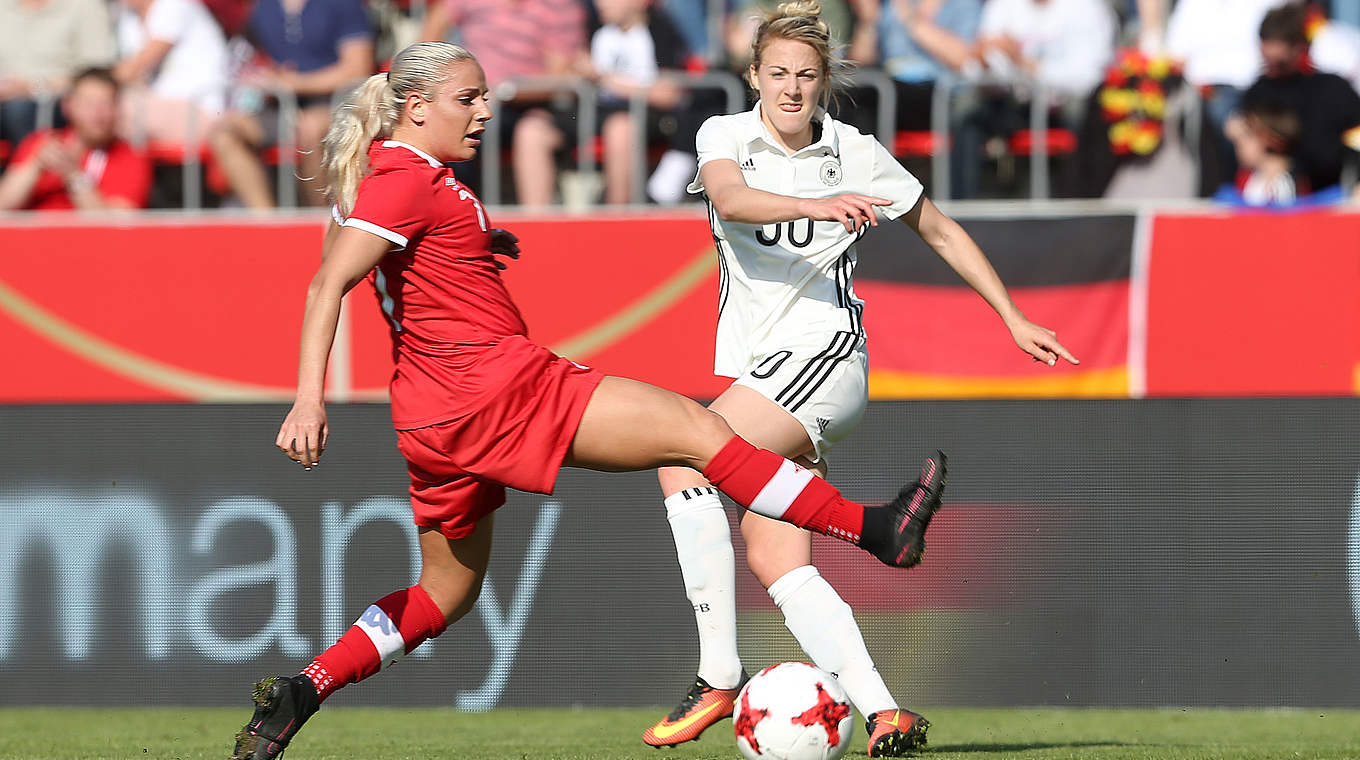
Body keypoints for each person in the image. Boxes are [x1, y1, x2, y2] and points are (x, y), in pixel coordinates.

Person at [230, 40, 947, 760]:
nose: (485, 111)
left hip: (433, 422)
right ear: (414, 108)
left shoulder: (405, 181)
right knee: (697, 433)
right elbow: (328, 284)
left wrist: (480, 244)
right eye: (468, 99)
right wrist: (307, 400)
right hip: (498, 390)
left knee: (446, 593)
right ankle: (875, 530)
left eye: (484, 96)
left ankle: (306, 686)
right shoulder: (405, 181)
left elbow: (401, 260)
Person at [639, 2, 1077, 757]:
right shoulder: (725, 136)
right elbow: (732, 200)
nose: (791, 90)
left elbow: (937, 226)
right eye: (776, 74)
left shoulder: (854, 150)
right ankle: (884, 712)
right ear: (753, 76)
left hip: (825, 359)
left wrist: (1009, 314)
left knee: (684, 453)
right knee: (775, 555)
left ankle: (718, 674)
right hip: (764, 369)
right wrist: (816, 204)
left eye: (806, 77)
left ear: (826, 82)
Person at [207, 0, 375, 209]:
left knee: (311, 129)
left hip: (336, 104)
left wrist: (297, 84)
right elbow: (250, 57)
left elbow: (357, 69)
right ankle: (267, 223)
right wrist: (261, 76)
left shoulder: (343, 4)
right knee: (225, 132)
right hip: (281, 106)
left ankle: (323, 220)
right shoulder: (264, 7)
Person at [419, 0, 589, 206]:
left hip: (533, 104)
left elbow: (560, 73)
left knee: (529, 132)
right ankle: (447, 213)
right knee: (447, 124)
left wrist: (507, 91)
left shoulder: (560, 6)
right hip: (476, 101)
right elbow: (434, 28)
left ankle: (535, 227)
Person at [1236, 3, 1360, 195]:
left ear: (1299, 47)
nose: (1273, 69)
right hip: (1273, 196)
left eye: (1280, 63)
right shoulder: (1257, 93)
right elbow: (1249, 152)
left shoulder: (1333, 90)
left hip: (1329, 196)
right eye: (1268, 61)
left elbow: (1355, 139)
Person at [0, 68, 152, 210]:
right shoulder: (40, 142)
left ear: (117, 108)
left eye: (105, 103)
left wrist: (74, 176)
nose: (97, 113)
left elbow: (119, 225)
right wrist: (35, 166)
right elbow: (4, 206)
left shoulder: (130, 157)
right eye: (88, 103)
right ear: (68, 106)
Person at [0, 0, 116, 150]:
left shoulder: (84, 6)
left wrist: (30, 87)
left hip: (53, 102)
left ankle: (30, 168)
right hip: (6, 99)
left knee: (19, 110)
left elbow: (96, 75)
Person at [112, 0, 231, 144]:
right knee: (99, 109)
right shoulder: (129, 17)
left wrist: (97, 82)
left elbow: (135, 67)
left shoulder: (174, 4)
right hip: (158, 104)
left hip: (200, 109)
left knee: (108, 110)